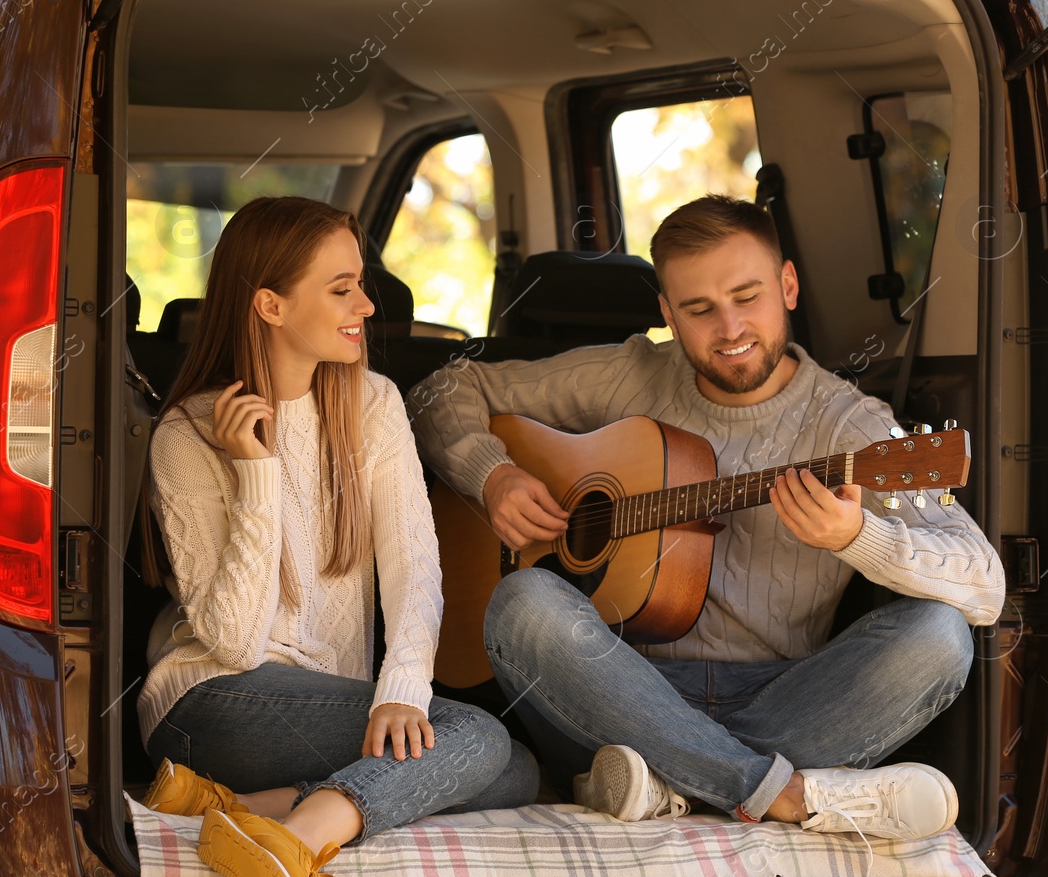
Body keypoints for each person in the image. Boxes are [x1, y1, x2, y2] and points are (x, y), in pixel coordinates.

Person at [411, 195, 1003, 842]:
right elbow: (443, 388)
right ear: (668, 314)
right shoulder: (632, 373)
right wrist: (491, 474)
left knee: (940, 633)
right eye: (699, 309)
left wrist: (860, 537)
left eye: (748, 296)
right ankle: (776, 793)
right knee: (523, 598)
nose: (729, 327)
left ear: (788, 286)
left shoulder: (852, 426)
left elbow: (985, 583)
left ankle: (673, 782)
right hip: (614, 690)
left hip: (783, 698)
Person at [135, 197, 538, 877]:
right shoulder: (187, 435)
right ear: (270, 304)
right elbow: (230, 642)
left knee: (516, 770)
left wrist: (404, 693)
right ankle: (302, 834)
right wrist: (254, 471)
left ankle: (245, 809)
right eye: (341, 287)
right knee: (476, 740)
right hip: (211, 701)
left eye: (361, 283)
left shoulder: (373, 402)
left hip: (323, 707)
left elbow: (416, 567)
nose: (366, 303)